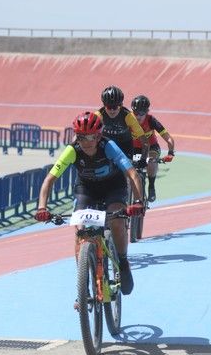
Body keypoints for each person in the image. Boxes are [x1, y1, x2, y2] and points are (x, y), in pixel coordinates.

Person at [34, 111, 145, 296]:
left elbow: (132, 173)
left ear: (99, 135)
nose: (86, 142)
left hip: (113, 187)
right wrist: (42, 208)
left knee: (116, 220)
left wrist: (139, 201)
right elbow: (49, 180)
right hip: (87, 189)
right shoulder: (72, 150)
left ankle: (123, 262)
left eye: (91, 137)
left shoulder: (108, 146)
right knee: (79, 231)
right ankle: (83, 287)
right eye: (81, 137)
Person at [130, 95, 176, 202]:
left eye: (141, 113)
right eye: (135, 113)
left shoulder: (151, 120)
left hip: (151, 147)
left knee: (152, 161)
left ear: (147, 112)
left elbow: (168, 138)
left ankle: (151, 186)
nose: (138, 116)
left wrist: (170, 153)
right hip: (133, 148)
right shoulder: (128, 119)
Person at [94, 85, 149, 163]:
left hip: (125, 145)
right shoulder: (98, 115)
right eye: (109, 107)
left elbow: (145, 142)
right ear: (104, 105)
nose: (112, 111)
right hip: (106, 144)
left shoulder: (128, 116)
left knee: (126, 170)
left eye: (115, 107)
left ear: (121, 105)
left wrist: (143, 160)